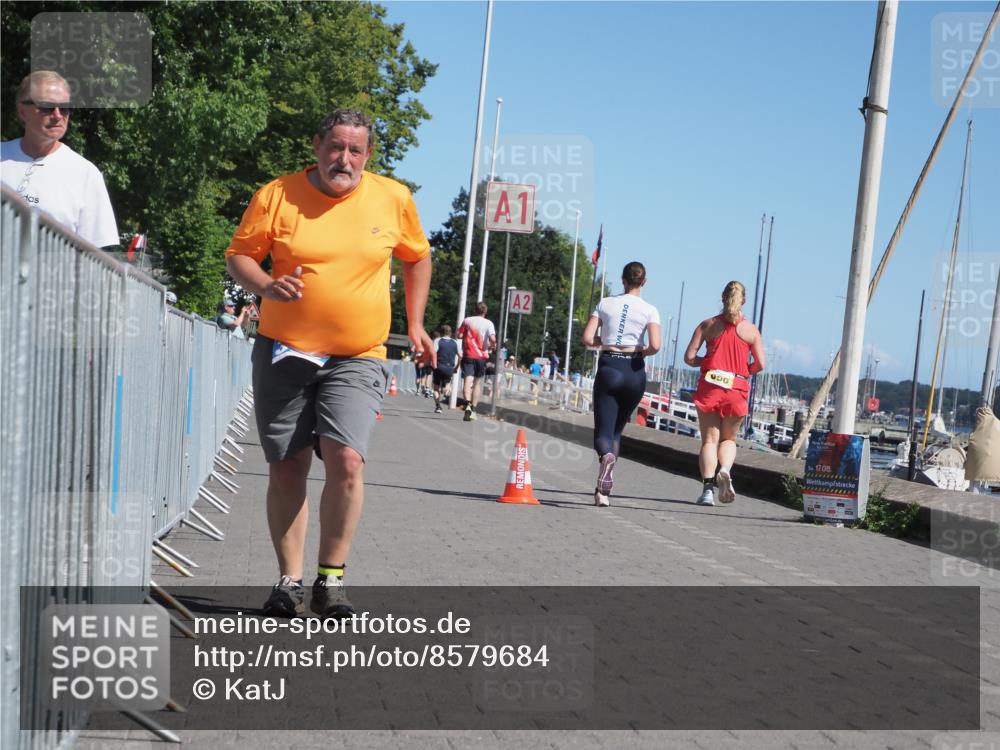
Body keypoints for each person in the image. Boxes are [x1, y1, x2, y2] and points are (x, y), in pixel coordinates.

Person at [224, 108, 433, 619]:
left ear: (368, 154)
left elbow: (417, 257)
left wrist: (417, 323)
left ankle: (331, 580)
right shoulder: (277, 195)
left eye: (355, 150)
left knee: (347, 460)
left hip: (358, 355)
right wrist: (266, 284)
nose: (344, 158)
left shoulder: (393, 198)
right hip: (284, 349)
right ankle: (289, 582)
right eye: (336, 147)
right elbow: (239, 256)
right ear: (317, 145)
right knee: (287, 465)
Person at [1, 71, 118, 248]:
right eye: (47, 107)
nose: (57, 115)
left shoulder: (85, 174)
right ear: (23, 111)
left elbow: (95, 255)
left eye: (65, 108)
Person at [581, 261, 661, 507]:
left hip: (610, 366)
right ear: (644, 282)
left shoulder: (605, 303)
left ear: (623, 280)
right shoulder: (650, 310)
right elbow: (655, 345)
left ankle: (606, 458)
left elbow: (587, 338)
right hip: (634, 371)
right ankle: (602, 492)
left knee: (603, 432)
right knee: (617, 430)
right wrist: (641, 350)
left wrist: (605, 341)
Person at [683, 280, 765, 506]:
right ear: (743, 301)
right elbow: (760, 363)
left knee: (710, 440)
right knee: (729, 439)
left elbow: (689, 357)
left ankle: (707, 491)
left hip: (710, 385)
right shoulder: (751, 330)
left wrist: (707, 362)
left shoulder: (708, 325)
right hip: (736, 387)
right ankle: (725, 469)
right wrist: (743, 372)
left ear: (722, 298)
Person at [457, 301, 496, 422]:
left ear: (475, 310)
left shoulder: (467, 320)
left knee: (467, 381)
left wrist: (467, 336)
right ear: (485, 312)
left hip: (468, 355)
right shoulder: (489, 323)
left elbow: (459, 335)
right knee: (477, 383)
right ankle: (473, 409)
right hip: (481, 357)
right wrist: (492, 346)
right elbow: (493, 339)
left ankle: (467, 406)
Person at [432, 324, 460, 413]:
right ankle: (446, 390)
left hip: (439, 367)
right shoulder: (455, 342)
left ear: (441, 332)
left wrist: (434, 365)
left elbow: (433, 353)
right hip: (449, 368)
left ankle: (438, 406)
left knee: (436, 388)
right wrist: (456, 367)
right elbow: (460, 356)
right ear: (450, 333)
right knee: (446, 386)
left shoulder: (437, 340)